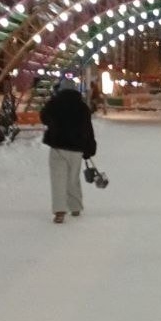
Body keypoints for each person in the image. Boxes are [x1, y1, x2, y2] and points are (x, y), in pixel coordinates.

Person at [41, 79, 97, 224]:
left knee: (58, 179)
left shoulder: (54, 104)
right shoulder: (82, 107)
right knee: (73, 178)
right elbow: (88, 129)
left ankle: (59, 211)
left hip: (58, 147)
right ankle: (75, 207)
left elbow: (44, 118)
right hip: (76, 148)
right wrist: (89, 149)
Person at [0, 75, 19, 145]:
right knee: (1, 122)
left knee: (2, 122)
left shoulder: (9, 95)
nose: (5, 87)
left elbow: (10, 107)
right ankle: (3, 136)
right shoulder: (8, 95)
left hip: (7, 114)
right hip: (6, 113)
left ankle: (2, 137)